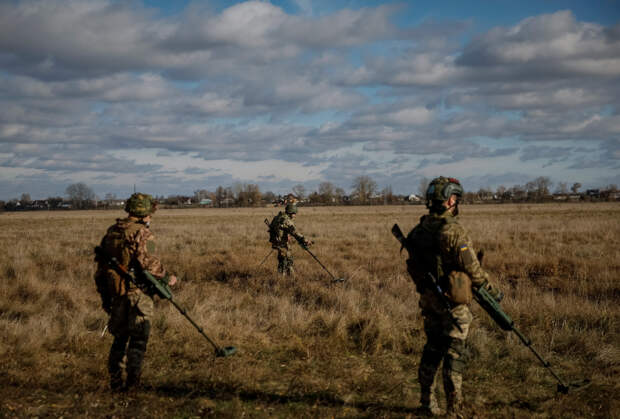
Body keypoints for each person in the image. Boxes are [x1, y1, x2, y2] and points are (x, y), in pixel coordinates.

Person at [405, 177, 501, 417]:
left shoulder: (418, 231)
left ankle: (427, 403)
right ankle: (454, 410)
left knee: (432, 348)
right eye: (456, 198)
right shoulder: (454, 231)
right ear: (450, 200)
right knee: (454, 353)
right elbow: (473, 270)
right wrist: (491, 291)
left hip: (429, 299)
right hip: (453, 302)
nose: (456, 202)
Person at [94, 193, 177, 391]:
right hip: (138, 295)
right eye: (150, 213)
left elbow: (101, 269)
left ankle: (115, 382)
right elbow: (148, 263)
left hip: (117, 294)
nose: (151, 216)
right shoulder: (141, 233)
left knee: (119, 339)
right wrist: (167, 278)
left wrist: (106, 297)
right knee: (138, 340)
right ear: (144, 213)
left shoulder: (112, 232)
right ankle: (132, 385)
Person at [268, 203, 312, 275]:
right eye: (294, 213)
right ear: (291, 212)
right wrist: (305, 240)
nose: (295, 215)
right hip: (282, 242)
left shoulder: (278, 217)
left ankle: (285, 276)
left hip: (276, 241)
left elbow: (273, 228)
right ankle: (285, 277)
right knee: (286, 259)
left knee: (283, 258)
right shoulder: (287, 220)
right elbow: (295, 232)